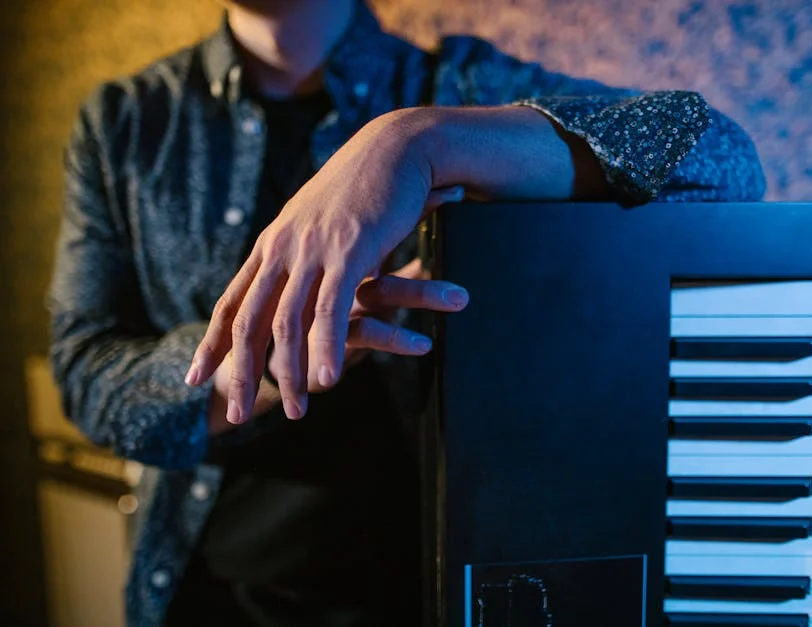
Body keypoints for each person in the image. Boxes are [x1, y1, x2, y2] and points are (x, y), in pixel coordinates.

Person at [48, 0, 766, 625]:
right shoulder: (125, 123)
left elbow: (724, 166)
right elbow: (87, 380)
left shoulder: (459, 91)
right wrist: (268, 352)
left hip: (423, 589)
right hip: (213, 593)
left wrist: (416, 140)